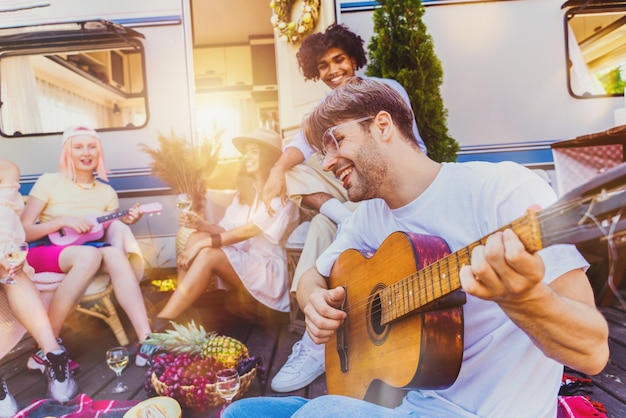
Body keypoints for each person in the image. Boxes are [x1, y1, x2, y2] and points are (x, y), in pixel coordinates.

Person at [224, 78, 610, 417]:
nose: (326, 164)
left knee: (321, 412)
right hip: (405, 403)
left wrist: (523, 298)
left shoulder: (505, 192)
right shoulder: (370, 216)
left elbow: (593, 353)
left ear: (382, 125)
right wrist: (313, 301)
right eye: (321, 152)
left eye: (334, 142)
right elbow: (314, 275)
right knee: (243, 412)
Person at [268, 23, 428, 394]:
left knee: (326, 228)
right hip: (352, 201)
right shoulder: (321, 114)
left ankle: (313, 345)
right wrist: (276, 168)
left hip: (385, 185)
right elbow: (300, 147)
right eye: (323, 65)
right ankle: (315, 335)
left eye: (338, 59)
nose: (332, 70)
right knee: (295, 175)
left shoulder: (382, 92)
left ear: (354, 58)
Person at [20, 126, 155, 367]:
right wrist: (61, 221)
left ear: (99, 152)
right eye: (78, 146)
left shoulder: (107, 192)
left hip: (86, 251)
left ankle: (146, 341)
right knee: (89, 256)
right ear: (67, 152)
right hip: (45, 252)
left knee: (112, 253)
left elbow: (106, 231)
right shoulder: (48, 182)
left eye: (92, 147)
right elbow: (24, 231)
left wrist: (126, 221)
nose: (86, 152)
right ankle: (47, 347)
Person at [151, 127, 299, 329]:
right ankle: (180, 307)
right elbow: (226, 229)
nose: (246, 156)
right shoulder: (246, 192)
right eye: (245, 151)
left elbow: (250, 230)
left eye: (253, 151)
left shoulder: (282, 193)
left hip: (268, 273)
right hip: (247, 261)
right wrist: (202, 225)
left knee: (207, 253)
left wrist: (204, 243)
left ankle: (164, 321)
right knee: (195, 237)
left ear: (269, 157)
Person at [0, 158, 79, 416]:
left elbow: (6, 219)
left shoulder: (6, 169)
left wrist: (5, 250)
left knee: (11, 269)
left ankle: (54, 356)